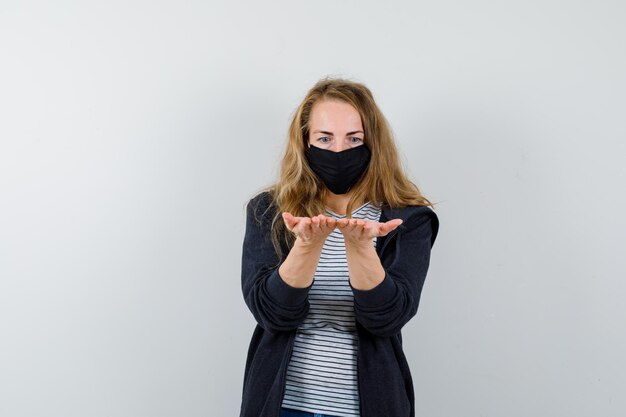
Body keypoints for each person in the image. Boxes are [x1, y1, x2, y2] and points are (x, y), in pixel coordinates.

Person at [239, 78, 439, 417]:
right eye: (324, 138)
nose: (338, 151)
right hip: (283, 407)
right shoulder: (269, 211)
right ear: (304, 142)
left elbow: (388, 319)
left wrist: (361, 249)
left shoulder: (408, 218)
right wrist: (306, 247)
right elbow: (271, 313)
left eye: (354, 138)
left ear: (373, 142)